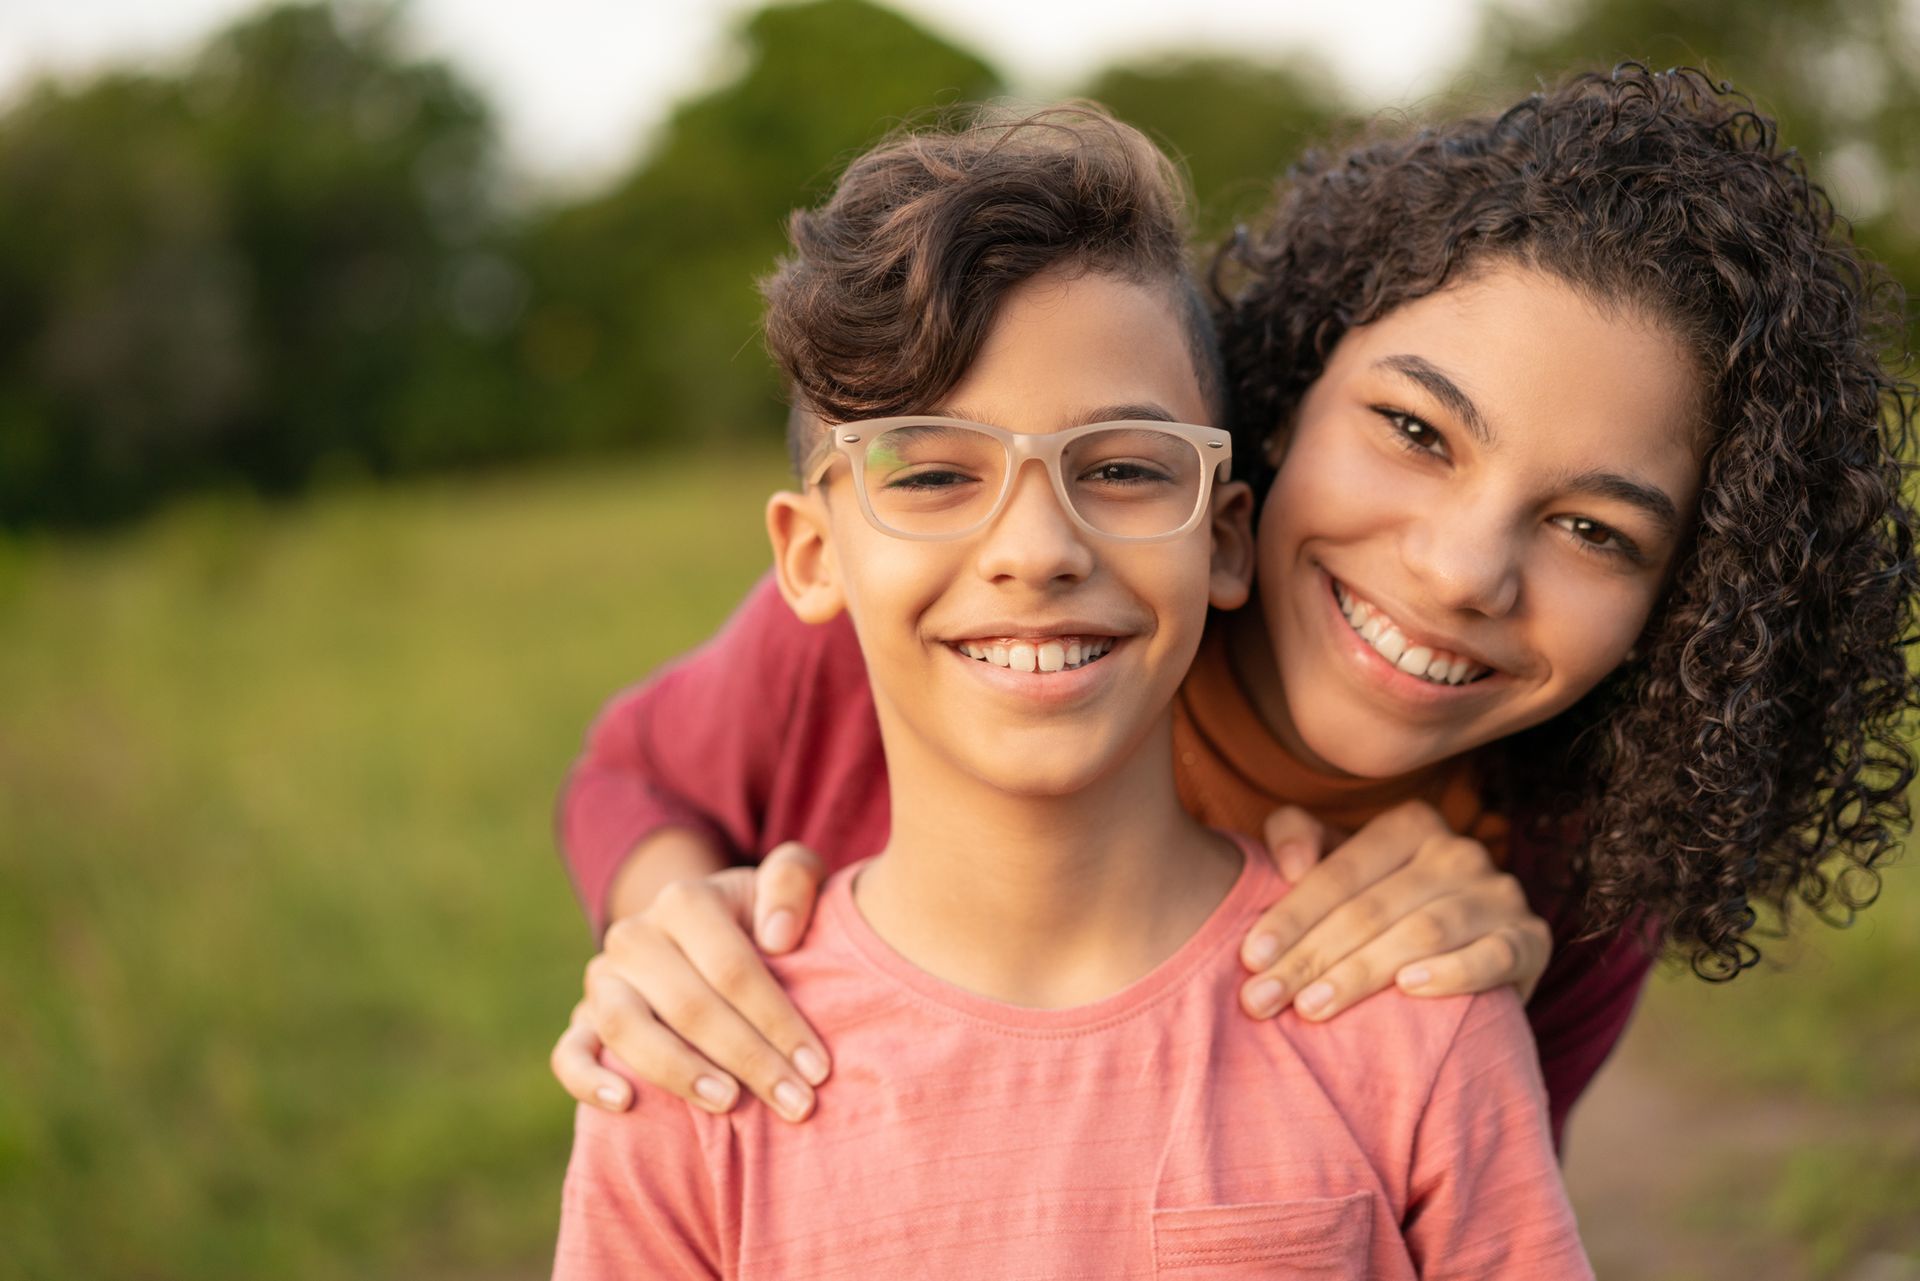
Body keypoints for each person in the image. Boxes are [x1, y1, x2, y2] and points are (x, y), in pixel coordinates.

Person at [551, 65, 1918, 1147]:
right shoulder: (929, 633)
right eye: (1415, 430)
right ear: (1288, 399)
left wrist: (1472, 1030)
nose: (1458, 571)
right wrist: (677, 926)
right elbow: (631, 773)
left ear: (1688, 606)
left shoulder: (1569, 880)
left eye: (1591, 529)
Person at [553, 103, 1591, 1279]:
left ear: (1227, 540)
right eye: (936, 472)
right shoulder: (689, 1067)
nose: (1036, 547)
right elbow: (625, 772)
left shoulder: (1420, 1017)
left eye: (1125, 469)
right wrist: (665, 911)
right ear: (810, 556)